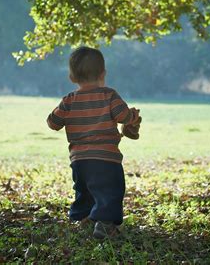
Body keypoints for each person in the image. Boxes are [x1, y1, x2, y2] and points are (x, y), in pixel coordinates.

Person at [46, 46, 141, 239]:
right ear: (103, 73)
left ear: (72, 77)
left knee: (84, 190)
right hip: (106, 158)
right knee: (110, 191)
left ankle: (83, 219)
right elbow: (123, 116)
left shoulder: (69, 100)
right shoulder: (109, 95)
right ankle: (104, 224)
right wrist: (133, 116)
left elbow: (53, 123)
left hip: (79, 160)